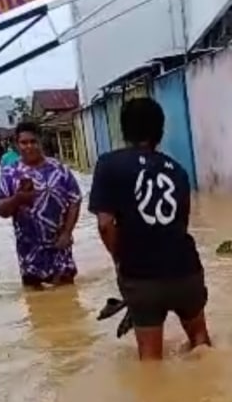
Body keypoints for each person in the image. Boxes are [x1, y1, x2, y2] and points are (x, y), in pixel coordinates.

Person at [88, 97, 211, 361]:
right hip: (186, 270)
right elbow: (181, 223)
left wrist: (120, 261)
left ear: (123, 130)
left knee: (151, 360)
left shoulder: (108, 164)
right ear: (161, 130)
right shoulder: (178, 171)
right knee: (201, 342)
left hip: (141, 276)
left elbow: (105, 224)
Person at [0, 121, 82, 289]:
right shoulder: (10, 174)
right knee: (35, 305)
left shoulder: (59, 170)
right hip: (29, 254)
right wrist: (17, 199)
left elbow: (75, 200)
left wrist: (67, 232)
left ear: (41, 142)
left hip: (60, 249)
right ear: (17, 145)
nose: (29, 147)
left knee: (68, 296)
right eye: (24, 143)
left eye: (33, 141)